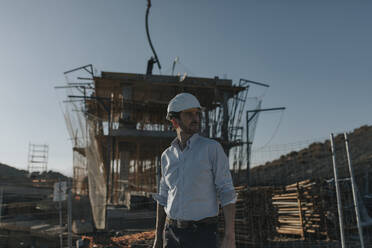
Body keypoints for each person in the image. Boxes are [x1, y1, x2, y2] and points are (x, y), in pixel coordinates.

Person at [152, 93, 236, 248]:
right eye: (189, 114)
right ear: (175, 121)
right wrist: (158, 237)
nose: (195, 118)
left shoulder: (212, 149)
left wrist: (230, 236)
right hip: (171, 234)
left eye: (197, 113)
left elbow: (227, 192)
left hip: (202, 235)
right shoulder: (167, 156)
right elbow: (163, 197)